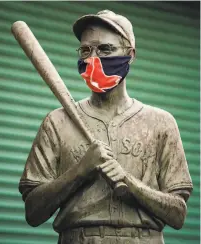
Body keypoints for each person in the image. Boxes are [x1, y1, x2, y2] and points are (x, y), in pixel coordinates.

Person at [19, 10, 193, 244]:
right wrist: (81, 170)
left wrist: (130, 183)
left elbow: (178, 215)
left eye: (105, 49)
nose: (93, 58)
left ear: (130, 55)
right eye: (85, 50)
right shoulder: (56, 122)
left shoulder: (161, 122)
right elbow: (33, 212)